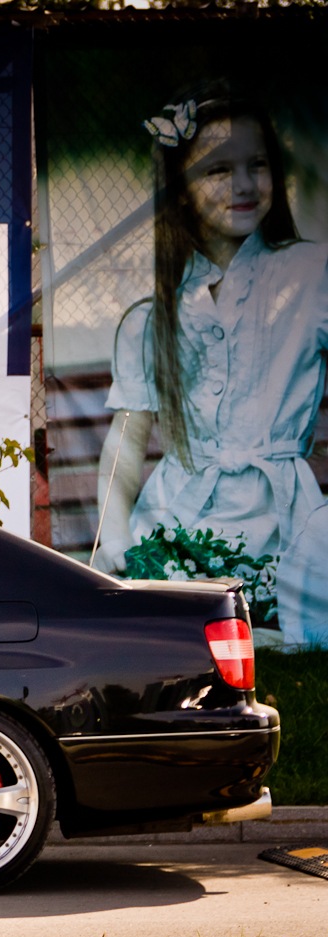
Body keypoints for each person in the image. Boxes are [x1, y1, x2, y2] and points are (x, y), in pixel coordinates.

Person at [96, 83, 328, 644]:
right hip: (178, 517)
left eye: (258, 165)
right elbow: (127, 441)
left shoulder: (311, 275)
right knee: (168, 635)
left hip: (283, 520)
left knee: (274, 633)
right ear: (179, 193)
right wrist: (114, 539)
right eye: (218, 170)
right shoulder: (151, 319)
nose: (244, 185)